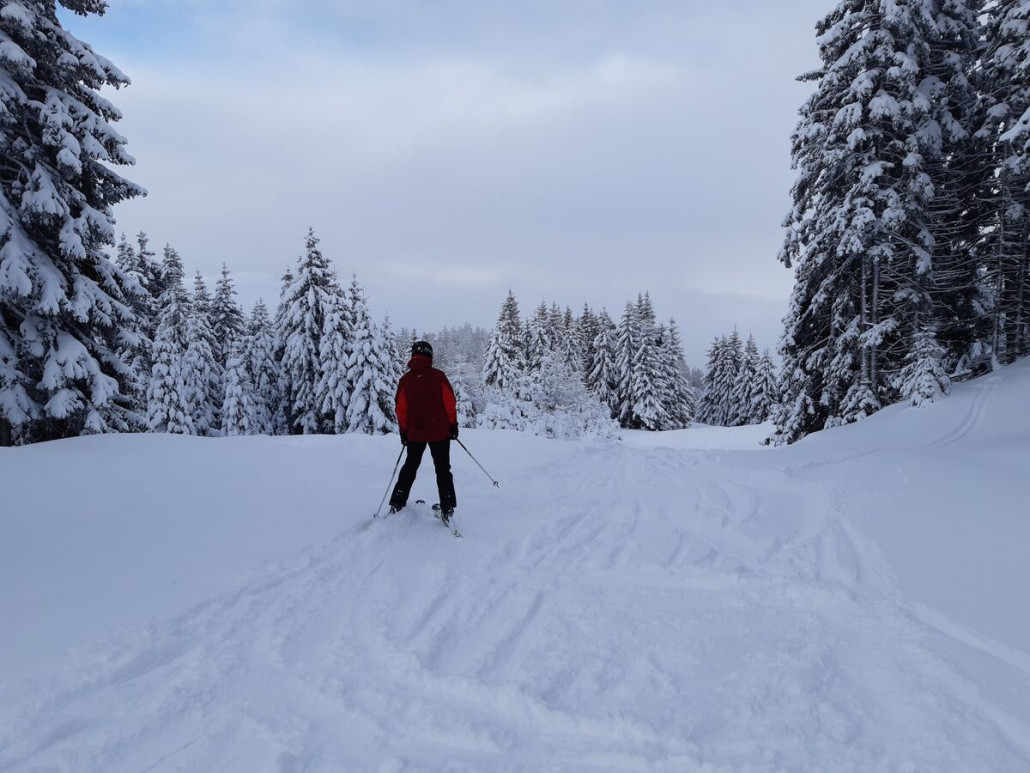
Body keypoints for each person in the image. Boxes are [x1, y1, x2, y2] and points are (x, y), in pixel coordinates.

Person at [389, 340, 459, 523]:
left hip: (415, 434)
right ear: (430, 355)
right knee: (443, 470)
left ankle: (397, 502)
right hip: (440, 433)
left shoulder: (405, 380)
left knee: (409, 468)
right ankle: (448, 507)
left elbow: (401, 410)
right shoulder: (439, 376)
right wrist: (453, 425)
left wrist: (404, 432)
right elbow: (450, 404)